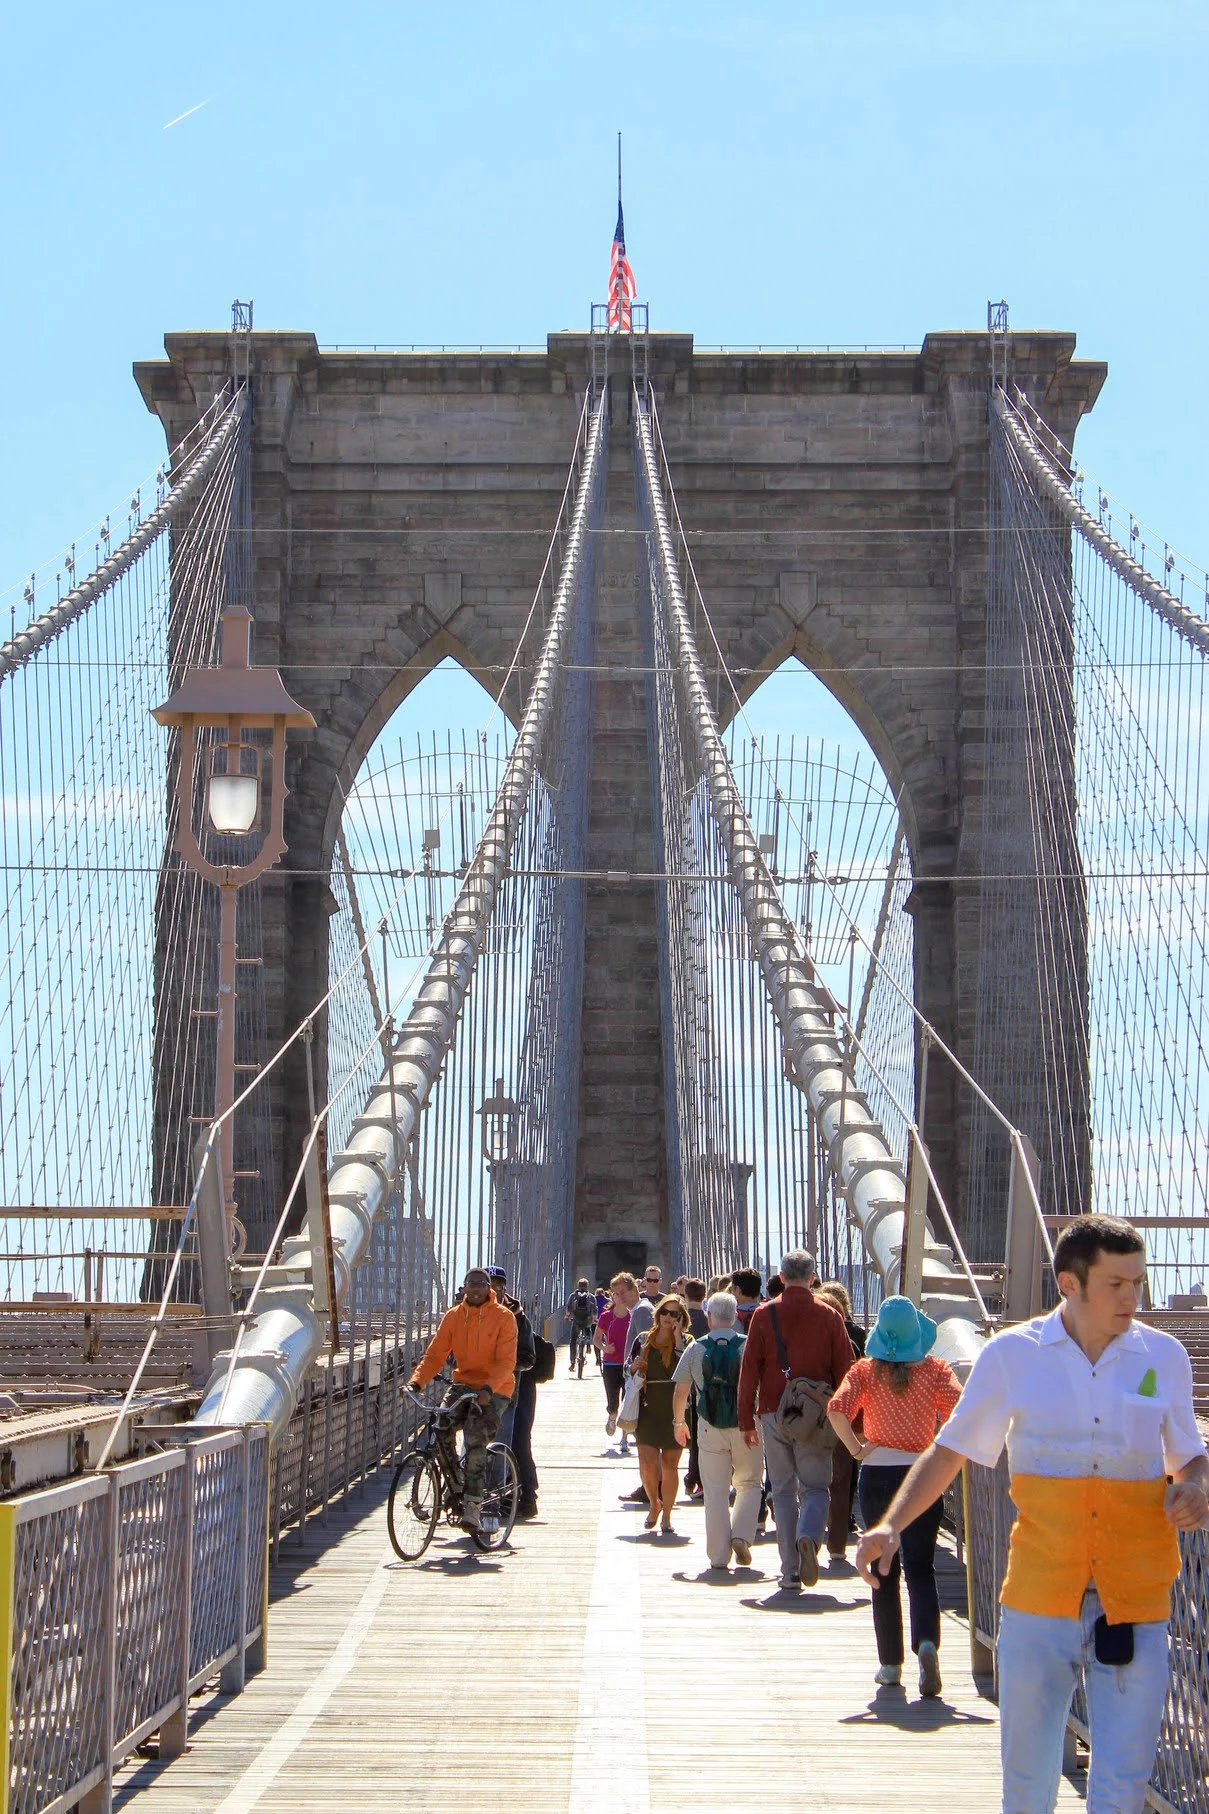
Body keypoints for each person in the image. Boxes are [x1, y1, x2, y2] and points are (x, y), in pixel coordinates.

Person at [856, 1215, 1209, 1813]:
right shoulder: (1012, 1355)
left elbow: (1190, 1458)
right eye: (1117, 1284)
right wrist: (891, 1523)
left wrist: (1195, 1489)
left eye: (1138, 1282)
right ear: (1070, 1284)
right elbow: (953, 1449)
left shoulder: (1165, 1356)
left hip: (1137, 1600)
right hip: (1038, 1599)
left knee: (1122, 1787)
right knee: (1026, 1787)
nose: (1133, 1298)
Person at [828, 1296, 961, 1693]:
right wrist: (938, 1444)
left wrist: (856, 1448)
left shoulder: (865, 1370)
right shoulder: (936, 1370)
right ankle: (926, 1644)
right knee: (922, 1569)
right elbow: (962, 1408)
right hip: (921, 1475)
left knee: (883, 1572)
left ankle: (890, 1665)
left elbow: (837, 1410)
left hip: (877, 1475)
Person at [738, 1248, 855, 1589]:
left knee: (784, 1491)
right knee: (817, 1487)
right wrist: (849, 1417)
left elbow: (749, 1372)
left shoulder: (763, 1314)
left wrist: (746, 1419)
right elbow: (846, 1370)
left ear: (783, 1277)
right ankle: (809, 1537)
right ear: (814, 1278)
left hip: (774, 1412)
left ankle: (790, 1570)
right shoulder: (831, 1316)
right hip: (816, 1418)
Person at [408, 1266, 517, 1532]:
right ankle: (456, 1484)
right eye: (471, 1283)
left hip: (496, 1388)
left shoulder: (504, 1318)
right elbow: (435, 1355)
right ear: (464, 1287)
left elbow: (506, 1363)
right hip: (463, 1384)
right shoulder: (453, 1317)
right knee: (441, 1428)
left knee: (475, 1436)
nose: (476, 1288)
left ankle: (472, 1505)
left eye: (482, 1284)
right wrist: (416, 1382)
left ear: (489, 1288)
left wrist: (488, 1390)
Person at [672, 1291, 762, 1569]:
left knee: (715, 1491)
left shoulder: (695, 1348)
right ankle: (743, 1537)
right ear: (735, 1316)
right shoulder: (749, 1346)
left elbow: (681, 1390)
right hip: (747, 1425)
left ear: (709, 1317)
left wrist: (679, 1422)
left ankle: (719, 1556)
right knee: (748, 1483)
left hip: (708, 1425)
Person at [815, 1280, 867, 1564]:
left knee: (811, 1479)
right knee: (841, 1480)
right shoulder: (853, 1339)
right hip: (844, 1417)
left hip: (810, 1418)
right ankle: (837, 1545)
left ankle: (809, 1535)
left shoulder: (806, 1339)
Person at [631, 1294, 693, 1533]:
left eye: (674, 1314)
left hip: (675, 1409)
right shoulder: (644, 1339)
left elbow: (685, 1369)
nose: (668, 1317)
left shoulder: (687, 1342)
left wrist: (677, 1339)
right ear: (657, 1314)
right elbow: (628, 1368)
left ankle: (666, 1514)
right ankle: (653, 1503)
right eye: (665, 1312)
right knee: (647, 1464)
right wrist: (633, 1367)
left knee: (670, 1465)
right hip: (648, 1408)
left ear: (681, 1317)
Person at [486, 1265, 540, 1519]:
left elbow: (529, 1357)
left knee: (511, 1442)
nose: (493, 1290)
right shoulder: (466, 1312)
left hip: (509, 1392)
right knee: (473, 1446)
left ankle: (513, 1500)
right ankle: (477, 1498)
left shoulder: (517, 1316)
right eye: (488, 1284)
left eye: (498, 1285)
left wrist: (502, 1364)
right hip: (475, 1391)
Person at [596, 1272, 638, 1445]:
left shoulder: (633, 1315)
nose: (619, 1296)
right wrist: (605, 1347)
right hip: (611, 1363)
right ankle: (612, 1416)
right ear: (612, 1295)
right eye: (616, 1293)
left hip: (628, 1365)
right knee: (613, 1403)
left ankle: (624, 1437)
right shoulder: (606, 1317)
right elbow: (596, 1339)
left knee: (627, 1401)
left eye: (622, 1293)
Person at [564, 1276, 597, 1371]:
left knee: (573, 1341)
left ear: (578, 1285)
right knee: (588, 1327)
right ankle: (587, 1343)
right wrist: (595, 1318)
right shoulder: (590, 1296)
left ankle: (572, 1363)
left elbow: (569, 1307)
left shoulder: (573, 1295)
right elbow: (594, 1308)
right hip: (587, 1318)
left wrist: (567, 1316)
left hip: (576, 1319)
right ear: (587, 1286)